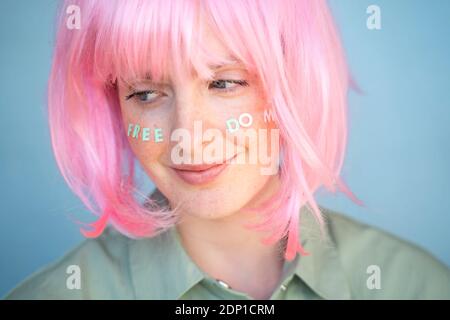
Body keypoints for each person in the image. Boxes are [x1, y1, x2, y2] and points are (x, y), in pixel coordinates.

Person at [5, 0, 450, 300]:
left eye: (224, 82)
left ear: (295, 83)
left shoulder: (413, 286)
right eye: (145, 93)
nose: (190, 134)